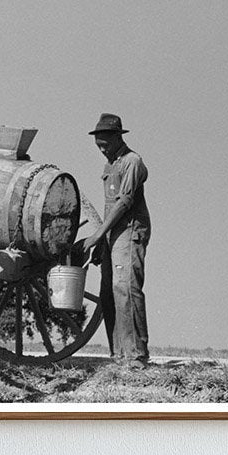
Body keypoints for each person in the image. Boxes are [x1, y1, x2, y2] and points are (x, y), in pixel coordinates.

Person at [82, 112, 151, 368]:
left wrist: (98, 234)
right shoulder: (109, 165)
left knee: (126, 288)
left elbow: (125, 202)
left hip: (131, 230)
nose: (101, 149)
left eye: (105, 144)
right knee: (108, 292)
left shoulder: (132, 162)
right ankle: (119, 354)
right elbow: (108, 204)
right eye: (98, 145)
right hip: (113, 233)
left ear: (117, 137)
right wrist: (103, 240)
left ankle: (136, 355)